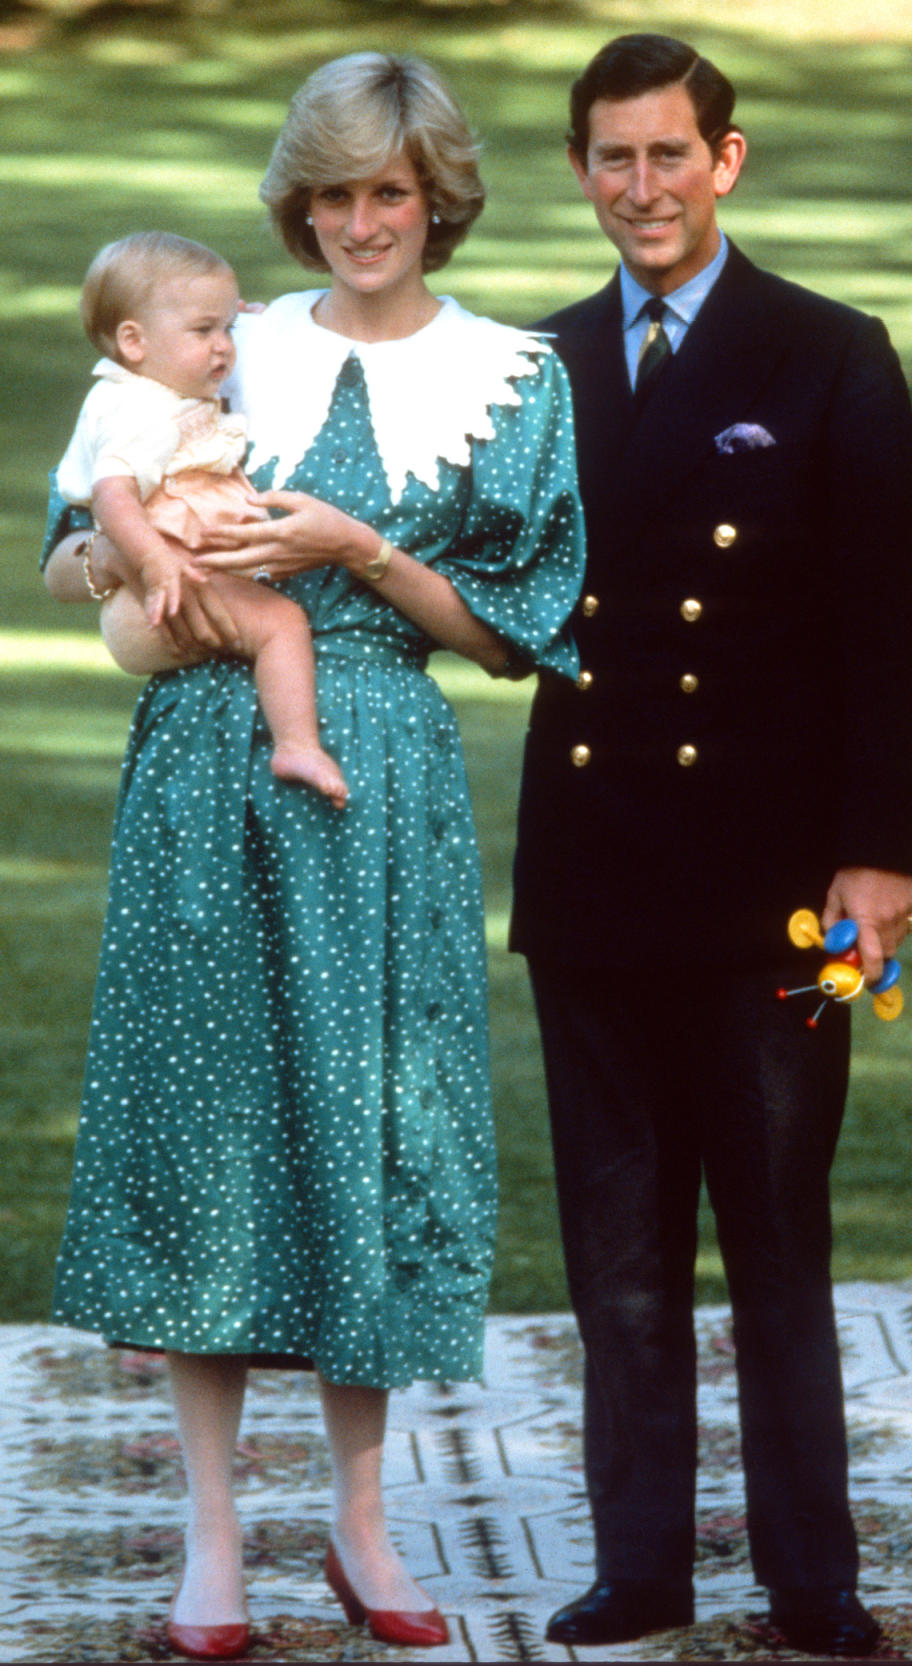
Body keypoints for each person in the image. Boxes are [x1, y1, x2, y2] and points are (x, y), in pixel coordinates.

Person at [42, 51, 584, 1661]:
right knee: (208, 1120)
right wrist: (106, 565)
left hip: (375, 767)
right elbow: (78, 529)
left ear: (439, 203)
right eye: (336, 193)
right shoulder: (217, 340)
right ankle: (212, 1537)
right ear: (301, 202)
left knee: (370, 1120)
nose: (361, 223)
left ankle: (360, 1518)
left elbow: (514, 634)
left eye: (391, 193)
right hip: (204, 751)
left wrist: (358, 545)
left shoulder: (514, 377)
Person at [510, 32, 912, 1658]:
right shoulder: (535, 369)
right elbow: (495, 599)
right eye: (613, 159)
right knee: (617, 1254)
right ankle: (642, 1571)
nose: (643, 189)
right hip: (598, 877)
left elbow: (887, 634)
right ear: (582, 173)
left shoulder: (828, 353)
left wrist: (879, 857)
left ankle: (812, 1579)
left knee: (775, 1238)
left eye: (670, 155)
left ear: (728, 161)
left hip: (775, 887)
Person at [57, 230, 348, 805]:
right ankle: (297, 744)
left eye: (228, 329)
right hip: (161, 595)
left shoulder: (148, 389)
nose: (223, 347)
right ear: (133, 341)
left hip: (165, 591)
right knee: (282, 624)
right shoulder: (139, 411)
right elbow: (113, 495)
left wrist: (237, 324)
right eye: (203, 331)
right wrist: (155, 561)